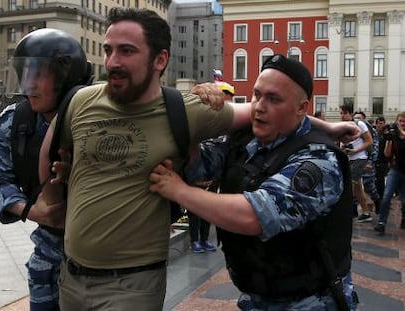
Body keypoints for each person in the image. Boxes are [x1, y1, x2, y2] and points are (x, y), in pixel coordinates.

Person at [37, 7, 252, 310]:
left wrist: (331, 127)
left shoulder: (186, 109)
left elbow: (263, 110)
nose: (112, 62)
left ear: (160, 60)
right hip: (71, 279)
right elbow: (50, 153)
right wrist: (53, 201)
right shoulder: (81, 100)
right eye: (109, 50)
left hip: (133, 286)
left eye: (126, 51)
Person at [150, 54, 358, 310]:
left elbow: (256, 215)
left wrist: (178, 191)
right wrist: (196, 110)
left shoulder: (319, 159)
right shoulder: (246, 139)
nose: (259, 106)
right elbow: (199, 165)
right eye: (257, 95)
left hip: (309, 301)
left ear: (302, 108)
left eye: (273, 99)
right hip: (257, 297)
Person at [0, 28, 92, 310]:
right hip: (46, 263)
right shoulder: (16, 121)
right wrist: (33, 211)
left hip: (102, 268)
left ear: (65, 76)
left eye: (38, 74)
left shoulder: (100, 119)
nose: (28, 84)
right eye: (24, 73)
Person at [340, 104, 374, 222]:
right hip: (351, 158)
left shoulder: (360, 124)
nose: (342, 116)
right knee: (358, 187)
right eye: (341, 113)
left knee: (349, 185)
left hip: (360, 158)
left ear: (350, 113)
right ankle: (366, 213)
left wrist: (355, 150)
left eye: (344, 113)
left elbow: (369, 141)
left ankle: (345, 212)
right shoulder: (344, 127)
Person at [374, 112, 405, 234]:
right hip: (395, 169)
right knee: (387, 196)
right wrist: (389, 140)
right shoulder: (394, 135)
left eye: (404, 121)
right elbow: (387, 154)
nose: (402, 123)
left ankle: (404, 218)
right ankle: (381, 223)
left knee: (404, 200)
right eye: (400, 121)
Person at [352, 111, 381, 214]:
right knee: (355, 186)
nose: (357, 120)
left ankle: (377, 202)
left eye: (359, 118)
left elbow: (374, 148)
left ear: (364, 119)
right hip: (355, 162)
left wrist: (370, 162)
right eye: (355, 118)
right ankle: (354, 209)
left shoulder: (371, 131)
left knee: (368, 185)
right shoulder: (353, 129)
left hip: (367, 162)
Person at [187, 180, 218, 253]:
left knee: (208, 211)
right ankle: (194, 240)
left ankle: (204, 239)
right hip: (194, 182)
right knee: (194, 212)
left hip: (211, 182)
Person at [374, 116, 389, 201]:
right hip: (375, 160)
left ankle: (381, 198)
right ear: (376, 124)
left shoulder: (386, 135)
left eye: (382, 123)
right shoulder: (374, 135)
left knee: (381, 180)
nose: (381, 125)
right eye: (379, 123)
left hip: (383, 161)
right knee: (376, 181)